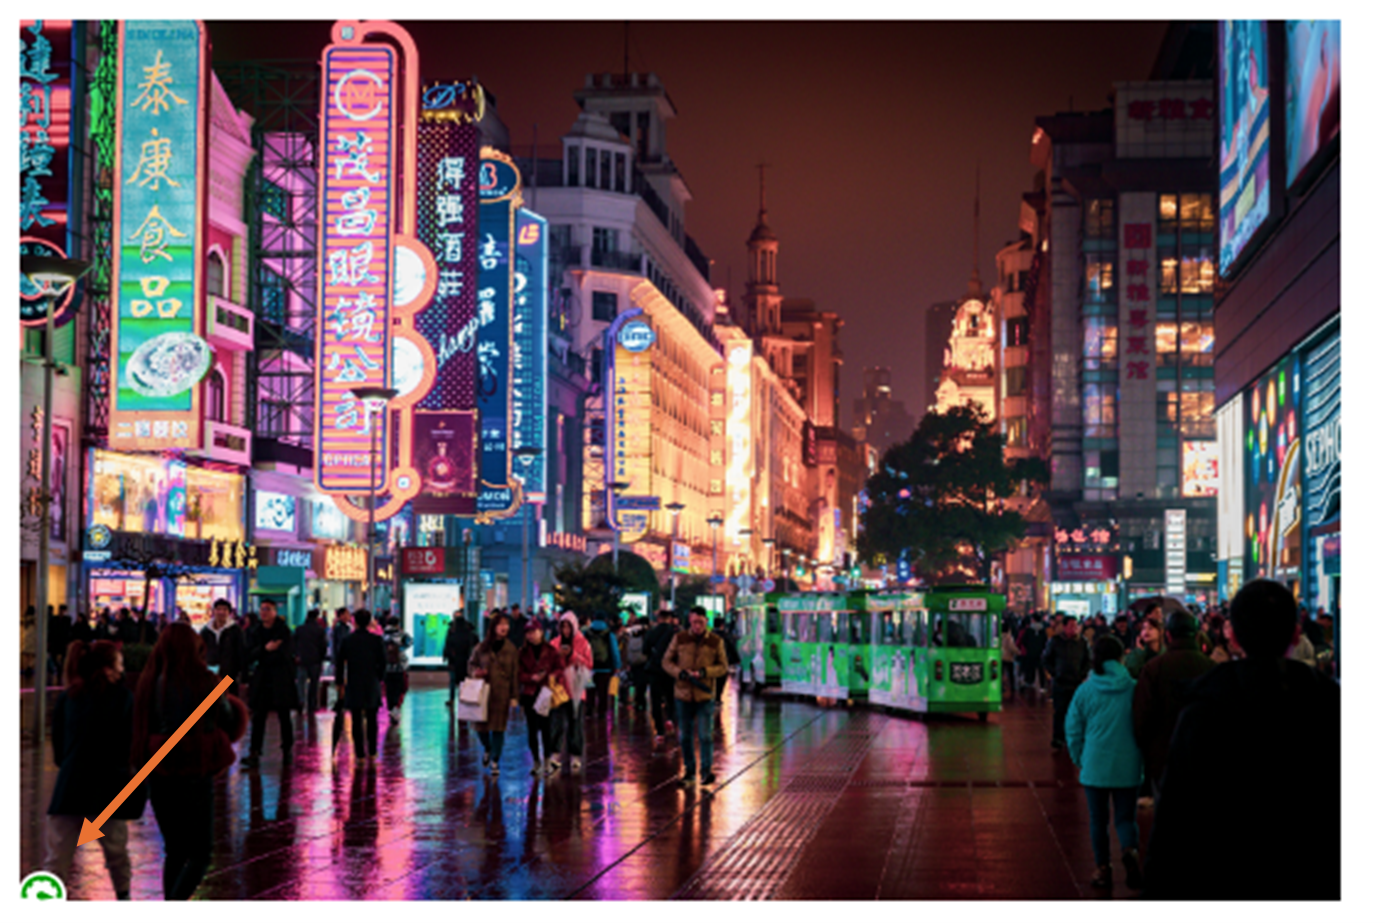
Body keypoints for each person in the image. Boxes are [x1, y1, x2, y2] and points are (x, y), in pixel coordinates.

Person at [1142, 580, 1340, 900]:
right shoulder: (1331, 707)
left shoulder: (1203, 711)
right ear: (1295, 633)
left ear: (1231, 635)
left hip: (1224, 880)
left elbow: (1174, 821)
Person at [131, 623, 248, 900]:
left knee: (175, 850)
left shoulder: (150, 681)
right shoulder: (206, 681)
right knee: (201, 853)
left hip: (159, 770)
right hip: (195, 768)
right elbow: (228, 719)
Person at [45, 640, 140, 900]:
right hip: (107, 790)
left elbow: (59, 748)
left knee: (57, 860)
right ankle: (124, 899)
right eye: (119, 663)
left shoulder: (68, 697)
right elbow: (126, 744)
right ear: (107, 668)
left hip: (69, 788)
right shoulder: (122, 698)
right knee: (117, 854)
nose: (122, 669)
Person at [1065, 635, 1144, 891]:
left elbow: (1073, 730)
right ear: (1122, 657)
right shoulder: (1134, 687)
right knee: (1125, 818)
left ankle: (1102, 868)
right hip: (1128, 764)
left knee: (1097, 820)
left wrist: (1080, 759)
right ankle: (1130, 851)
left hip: (1095, 765)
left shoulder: (1085, 690)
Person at [1131, 609, 1215, 803]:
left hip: (1163, 755)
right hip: (1203, 755)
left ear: (1167, 635)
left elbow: (1142, 716)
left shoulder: (1154, 668)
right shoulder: (1210, 667)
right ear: (1196, 635)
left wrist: (1147, 749)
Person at [662, 606, 729, 787]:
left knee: (705, 735)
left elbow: (723, 667)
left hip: (704, 695)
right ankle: (689, 772)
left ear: (706, 621)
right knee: (685, 736)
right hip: (683, 695)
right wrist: (680, 673)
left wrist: (704, 672)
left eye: (700, 622)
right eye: (694, 622)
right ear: (689, 622)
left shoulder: (715, 641)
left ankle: (706, 772)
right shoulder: (680, 638)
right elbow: (666, 661)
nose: (697, 626)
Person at [241, 601, 297, 768]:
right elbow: (249, 655)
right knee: (258, 716)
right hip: (262, 679)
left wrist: (264, 655)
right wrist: (265, 650)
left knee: (284, 716)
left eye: (267, 609)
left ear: (275, 611)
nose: (264, 612)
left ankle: (287, 750)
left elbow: (285, 655)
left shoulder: (284, 631)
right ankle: (255, 752)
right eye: (262, 609)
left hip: (281, 679)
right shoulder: (255, 631)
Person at [468, 612, 519, 775]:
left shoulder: (511, 649)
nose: (504, 627)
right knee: (480, 727)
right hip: (483, 693)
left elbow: (515, 674)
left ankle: (495, 761)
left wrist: (514, 696)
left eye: (507, 624)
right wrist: (475, 672)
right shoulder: (482, 647)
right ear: (493, 627)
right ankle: (488, 748)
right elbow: (471, 664)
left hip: (501, 694)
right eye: (501, 624)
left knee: (499, 728)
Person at [336, 608, 386, 762]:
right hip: (371, 682)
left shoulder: (348, 640)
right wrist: (379, 678)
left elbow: (340, 663)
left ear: (354, 621)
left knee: (356, 719)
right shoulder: (376, 640)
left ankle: (359, 754)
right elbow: (383, 662)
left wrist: (340, 682)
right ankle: (372, 751)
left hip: (354, 682)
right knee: (372, 719)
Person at [516, 618, 564, 775]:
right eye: (528, 633)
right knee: (531, 729)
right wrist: (530, 678)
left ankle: (547, 760)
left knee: (546, 727)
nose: (531, 635)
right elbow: (518, 674)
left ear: (541, 632)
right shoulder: (522, 653)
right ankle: (536, 761)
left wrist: (550, 676)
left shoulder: (550, 651)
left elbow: (559, 668)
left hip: (545, 693)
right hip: (530, 694)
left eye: (533, 632)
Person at [550, 611, 593, 772]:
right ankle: (555, 753)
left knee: (576, 723)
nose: (566, 630)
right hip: (560, 690)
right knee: (557, 722)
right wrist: (558, 657)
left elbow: (588, 664)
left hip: (576, 689)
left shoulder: (583, 643)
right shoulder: (555, 643)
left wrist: (573, 655)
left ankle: (575, 755)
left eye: (568, 626)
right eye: (563, 626)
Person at [1041, 616, 1091, 750]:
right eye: (1071, 626)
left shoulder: (1082, 642)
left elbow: (1088, 660)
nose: (1074, 629)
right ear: (1064, 627)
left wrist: (1082, 674)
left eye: (1076, 626)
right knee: (1060, 711)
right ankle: (1058, 737)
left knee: (1077, 712)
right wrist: (1055, 673)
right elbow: (1046, 659)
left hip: (1076, 682)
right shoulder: (1056, 641)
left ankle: (1074, 737)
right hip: (1060, 682)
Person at [644, 609, 680, 741]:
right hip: (671, 670)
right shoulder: (676, 633)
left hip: (655, 670)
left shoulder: (651, 632)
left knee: (655, 700)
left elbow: (645, 650)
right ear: (670, 619)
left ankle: (659, 731)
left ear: (658, 618)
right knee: (672, 697)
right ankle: (670, 719)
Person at [200, 598, 247, 692]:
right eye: (218, 609)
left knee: (223, 701)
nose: (221, 612)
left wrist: (244, 678)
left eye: (225, 609)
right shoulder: (205, 631)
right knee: (210, 701)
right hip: (210, 675)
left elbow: (242, 653)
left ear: (229, 612)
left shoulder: (236, 631)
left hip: (229, 675)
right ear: (213, 611)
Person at [584, 611, 620, 719]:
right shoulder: (609, 634)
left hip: (589, 668)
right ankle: (601, 712)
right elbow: (614, 651)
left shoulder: (587, 633)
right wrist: (617, 666)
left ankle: (589, 711)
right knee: (602, 692)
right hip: (605, 668)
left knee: (590, 691)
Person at [294, 609, 328, 713]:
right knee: (314, 683)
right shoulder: (319, 630)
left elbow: (294, 643)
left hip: (302, 660)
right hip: (315, 660)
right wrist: (321, 657)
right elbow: (323, 646)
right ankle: (311, 704)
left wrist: (296, 655)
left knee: (301, 682)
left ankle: (300, 701)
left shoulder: (300, 629)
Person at [443, 608, 479, 709]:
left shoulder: (453, 632)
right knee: (462, 681)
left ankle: (454, 698)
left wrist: (447, 656)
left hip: (456, 661)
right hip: (464, 661)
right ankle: (462, 698)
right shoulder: (469, 632)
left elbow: (448, 645)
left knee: (454, 681)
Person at [381, 615, 412, 722]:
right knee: (401, 688)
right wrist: (400, 649)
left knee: (389, 690)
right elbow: (410, 642)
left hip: (387, 667)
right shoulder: (401, 634)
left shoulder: (383, 635)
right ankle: (396, 709)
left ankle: (391, 709)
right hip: (400, 667)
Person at [1123, 611, 1164, 679]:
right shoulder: (1136, 653)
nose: (1146, 631)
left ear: (1160, 632)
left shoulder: (1165, 653)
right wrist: (1139, 652)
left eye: (1150, 628)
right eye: (1144, 628)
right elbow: (1131, 672)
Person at [714, 616, 741, 704]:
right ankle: (718, 697)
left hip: (711, 662)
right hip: (723, 662)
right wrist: (736, 659)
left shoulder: (709, 635)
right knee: (721, 680)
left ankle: (713, 697)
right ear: (722, 625)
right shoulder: (725, 636)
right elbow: (731, 648)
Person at [1018, 615, 1047, 696]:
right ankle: (1042, 686)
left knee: (1030, 668)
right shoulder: (1043, 630)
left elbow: (1024, 640)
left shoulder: (1029, 630)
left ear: (1033, 620)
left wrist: (1029, 647)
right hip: (1040, 653)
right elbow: (1045, 641)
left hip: (1030, 653)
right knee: (1040, 670)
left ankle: (1030, 682)